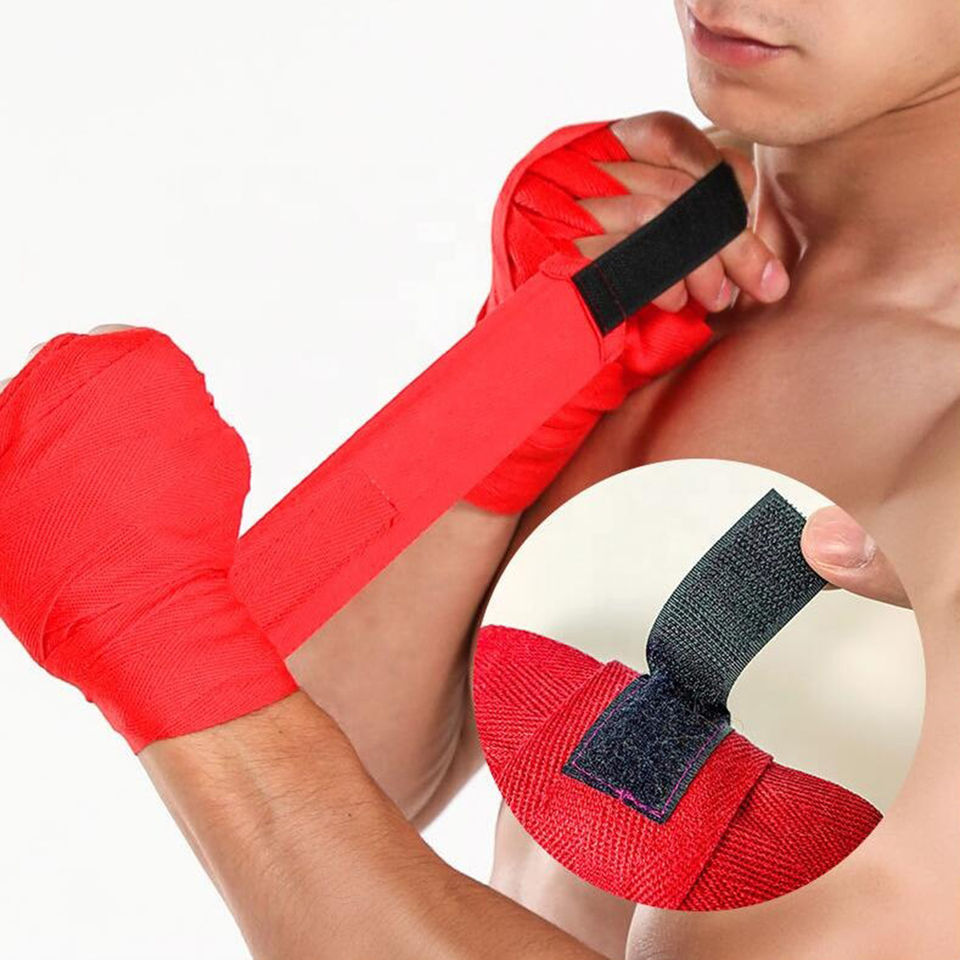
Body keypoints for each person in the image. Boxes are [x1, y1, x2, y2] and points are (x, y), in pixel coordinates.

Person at [1, 0, 958, 957]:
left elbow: (286, 801)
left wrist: (168, 646)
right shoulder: (667, 254)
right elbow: (353, 790)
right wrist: (497, 403)